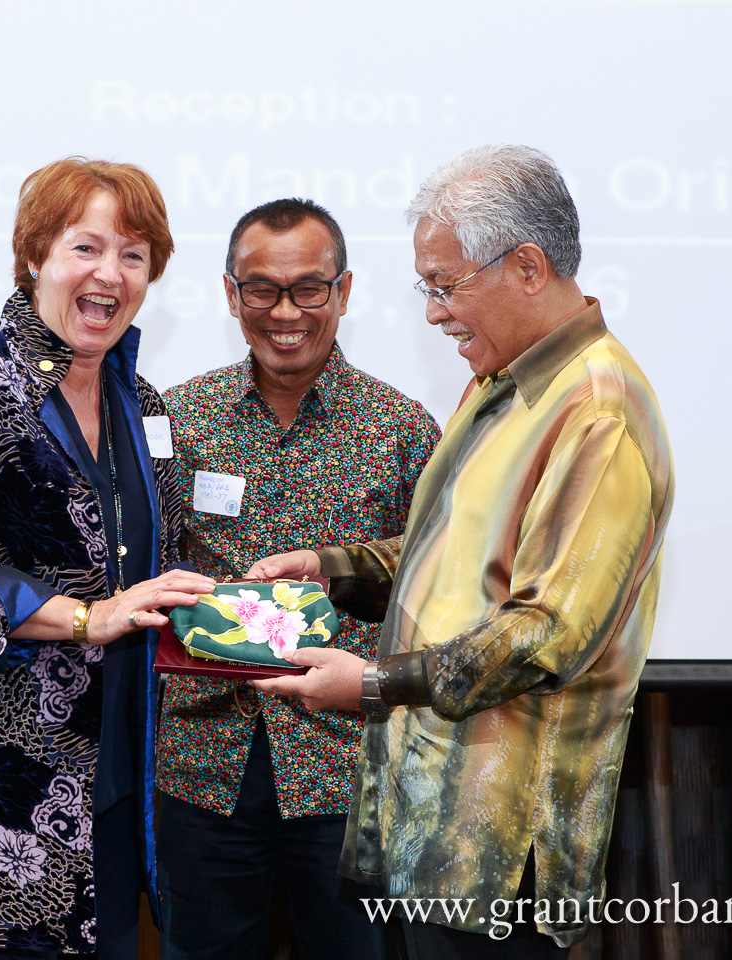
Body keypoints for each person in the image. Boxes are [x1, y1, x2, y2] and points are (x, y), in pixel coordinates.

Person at [250, 145, 674, 957]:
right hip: (425, 833)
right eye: (427, 288)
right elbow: (449, 556)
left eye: (446, 286)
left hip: (500, 852)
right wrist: (328, 570)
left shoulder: (599, 411)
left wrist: (372, 683)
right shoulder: (501, 383)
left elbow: (547, 630)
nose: (435, 312)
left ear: (525, 266)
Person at [0, 157, 215, 959]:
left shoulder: (146, 405)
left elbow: (159, 569)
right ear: (35, 257)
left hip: (119, 784)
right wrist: (88, 618)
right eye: (87, 248)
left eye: (133, 257)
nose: (110, 275)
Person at [154, 198, 438, 960]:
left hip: (349, 770)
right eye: (263, 289)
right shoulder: (178, 419)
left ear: (342, 292)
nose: (286, 312)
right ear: (230, 293)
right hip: (201, 763)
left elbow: (437, 586)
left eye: (309, 289)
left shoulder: (402, 428)